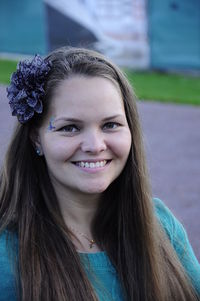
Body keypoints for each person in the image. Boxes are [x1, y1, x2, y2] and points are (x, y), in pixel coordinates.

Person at [0, 47, 199, 301]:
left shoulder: (160, 224)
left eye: (110, 125)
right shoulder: (7, 256)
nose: (95, 146)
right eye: (70, 127)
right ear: (36, 139)